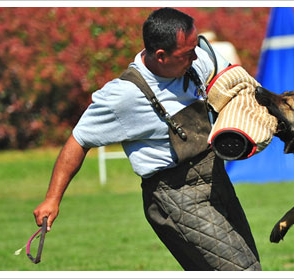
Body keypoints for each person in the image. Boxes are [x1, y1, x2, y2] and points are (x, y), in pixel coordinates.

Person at [32, 7, 261, 271]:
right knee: (243, 270)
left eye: (195, 47)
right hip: (176, 196)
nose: (196, 57)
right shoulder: (123, 96)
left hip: (216, 179)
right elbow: (79, 140)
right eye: (187, 54)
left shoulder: (196, 60)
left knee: (249, 264)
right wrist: (52, 198)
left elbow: (236, 83)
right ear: (161, 56)